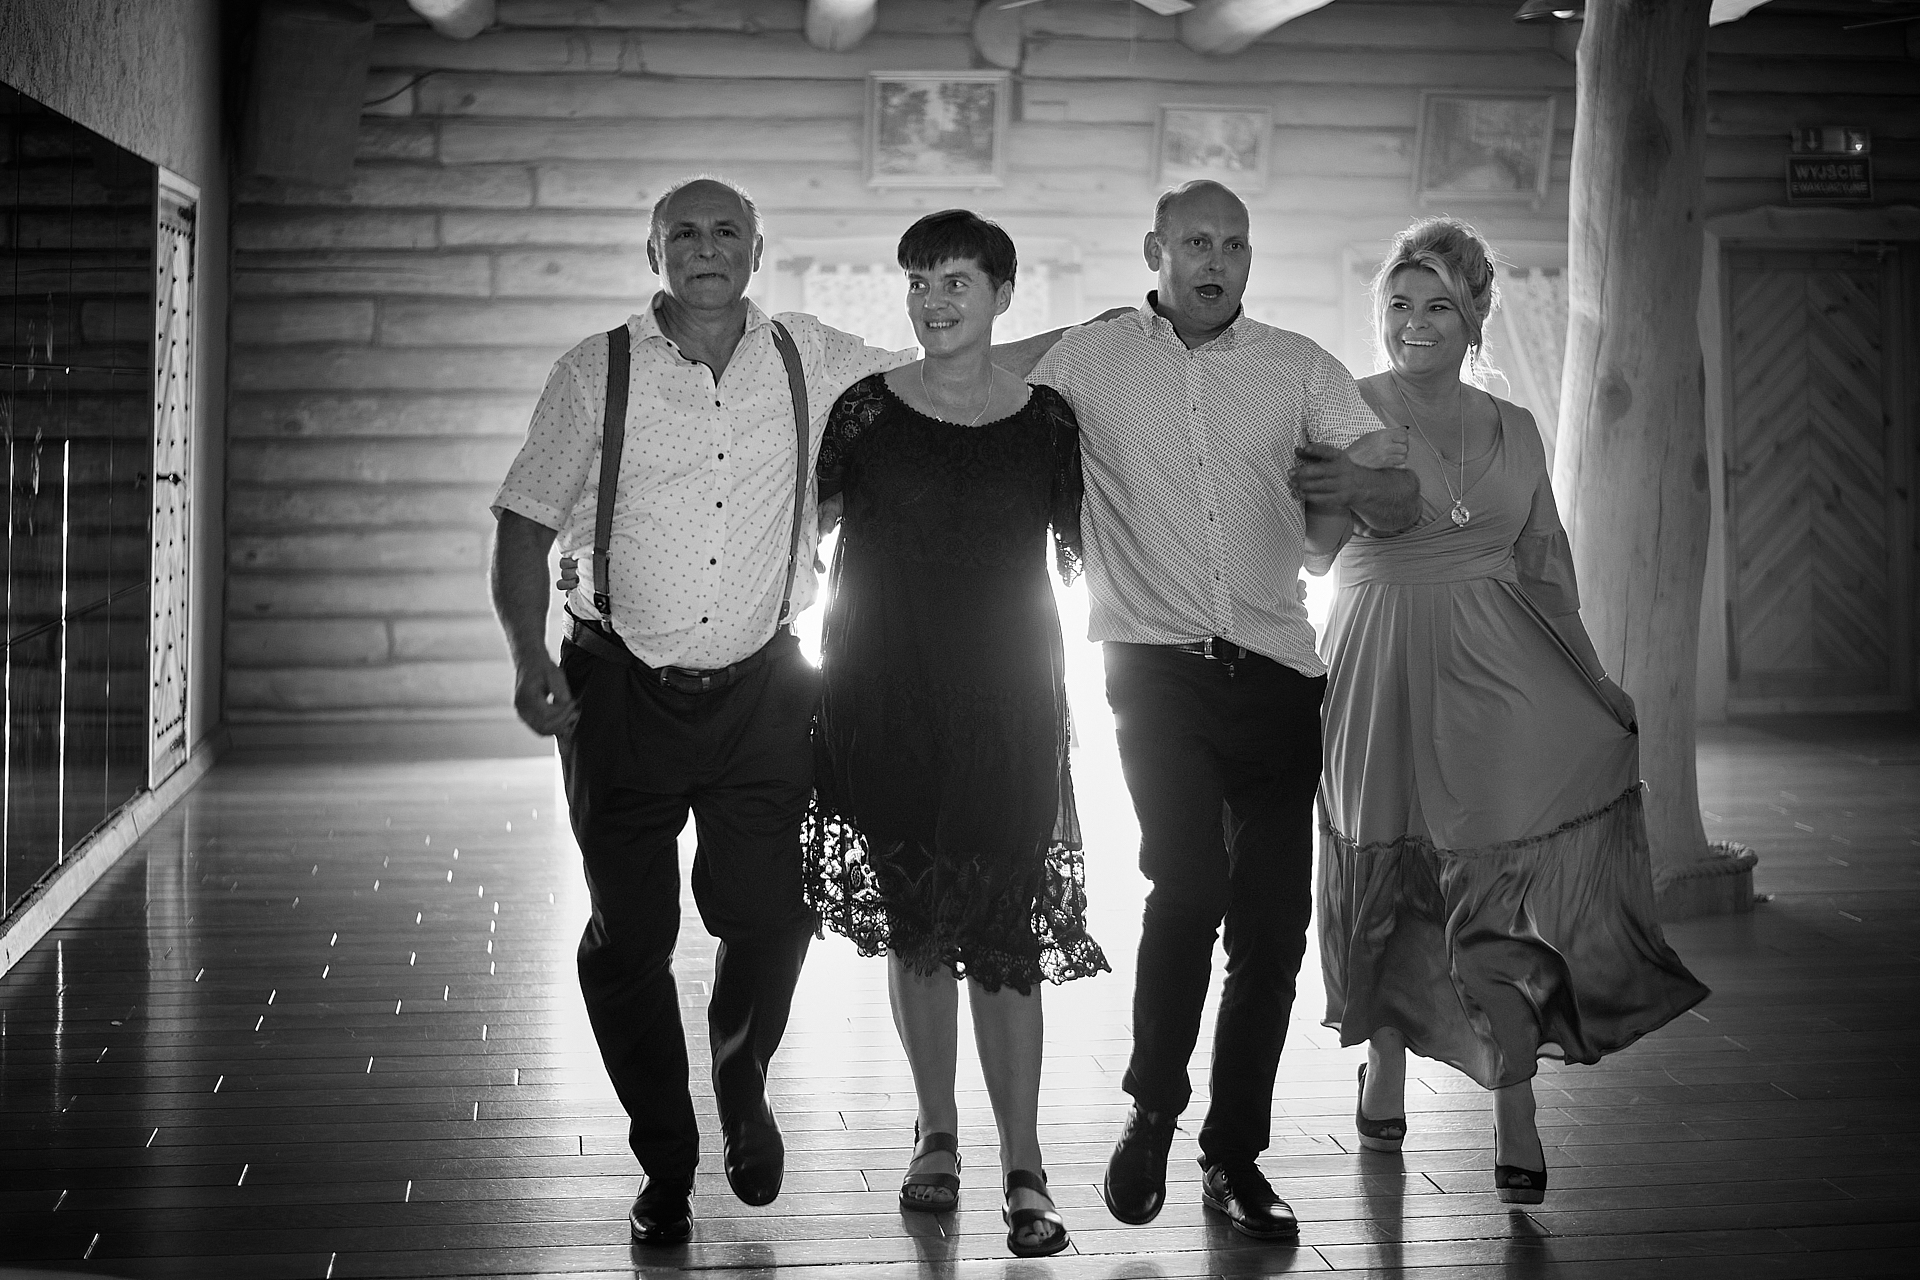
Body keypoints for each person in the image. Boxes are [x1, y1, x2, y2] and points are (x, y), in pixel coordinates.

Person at [489, 175, 928, 1248]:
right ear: (654, 253)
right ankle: (665, 1157)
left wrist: (1094, 344)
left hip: (766, 685)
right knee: (630, 936)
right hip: (617, 689)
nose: (705, 247)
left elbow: (942, 375)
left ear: (756, 249)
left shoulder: (809, 354)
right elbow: (523, 522)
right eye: (682, 233)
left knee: (772, 911)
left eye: (726, 230)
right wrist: (526, 657)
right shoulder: (596, 370)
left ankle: (742, 1073)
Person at [1027, 179, 1421, 1241]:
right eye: (1196, 242)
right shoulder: (1088, 357)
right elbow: (979, 396)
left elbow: (1398, 498)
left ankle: (1233, 1155)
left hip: (1281, 670)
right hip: (1154, 666)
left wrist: (1348, 481)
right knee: (1188, 880)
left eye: (1235, 245)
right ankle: (1153, 1106)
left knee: (1274, 922)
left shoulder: (1299, 367)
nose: (1216, 261)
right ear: (1153, 249)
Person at [1315, 216, 1710, 1205]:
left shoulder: (1519, 428)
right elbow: (1310, 552)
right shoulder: (1344, 408)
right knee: (1388, 873)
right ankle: (1386, 1059)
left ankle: (1514, 1099)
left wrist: (1598, 682)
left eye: (1438, 304)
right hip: (1374, 664)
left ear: (1477, 313)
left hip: (1496, 675)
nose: (1413, 321)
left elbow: (1547, 577)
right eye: (1398, 303)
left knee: (1485, 886)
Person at [806, 210, 1107, 1259]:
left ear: (1002, 296)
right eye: (919, 283)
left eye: (956, 283)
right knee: (919, 924)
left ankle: (1027, 1164)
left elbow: (1094, 549)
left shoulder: (1049, 422)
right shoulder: (864, 412)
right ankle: (936, 1133)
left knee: (1005, 932)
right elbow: (793, 527)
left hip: (1010, 703)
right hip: (882, 694)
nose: (933, 302)